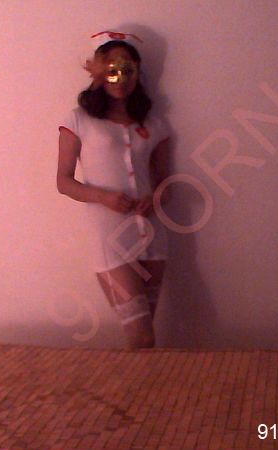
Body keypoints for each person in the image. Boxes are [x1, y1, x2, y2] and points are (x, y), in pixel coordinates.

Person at [56, 30, 171, 349]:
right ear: (98, 72)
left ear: (137, 72)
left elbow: (166, 184)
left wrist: (155, 198)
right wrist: (104, 197)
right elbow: (63, 181)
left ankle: (146, 382)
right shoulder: (79, 120)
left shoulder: (154, 123)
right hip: (109, 238)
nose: (121, 78)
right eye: (112, 69)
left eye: (128, 69)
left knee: (145, 339)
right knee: (141, 336)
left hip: (151, 234)